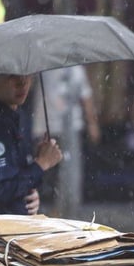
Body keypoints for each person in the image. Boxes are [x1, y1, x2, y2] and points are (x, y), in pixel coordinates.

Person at [0, 74, 62, 231]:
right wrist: (41, 164)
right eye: (11, 76)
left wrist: (27, 197)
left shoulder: (9, 118)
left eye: (26, 74)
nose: (22, 82)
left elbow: (11, 181)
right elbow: (1, 191)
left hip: (10, 232)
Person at [30, 65, 101, 215]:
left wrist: (92, 123)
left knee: (68, 170)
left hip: (71, 127)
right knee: (47, 171)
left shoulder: (76, 69)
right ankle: (44, 208)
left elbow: (85, 95)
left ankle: (65, 207)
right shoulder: (44, 65)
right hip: (45, 126)